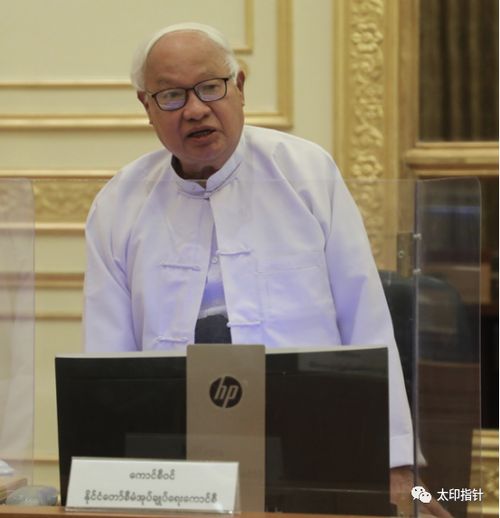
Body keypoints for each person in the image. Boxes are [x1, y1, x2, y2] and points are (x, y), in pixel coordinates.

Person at [82, 22, 451, 517]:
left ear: (239, 86)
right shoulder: (118, 204)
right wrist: (105, 475)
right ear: (146, 107)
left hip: (312, 433)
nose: (194, 109)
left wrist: (394, 462)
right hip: (172, 455)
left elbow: (365, 318)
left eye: (210, 87)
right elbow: (107, 361)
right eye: (170, 96)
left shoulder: (305, 173)